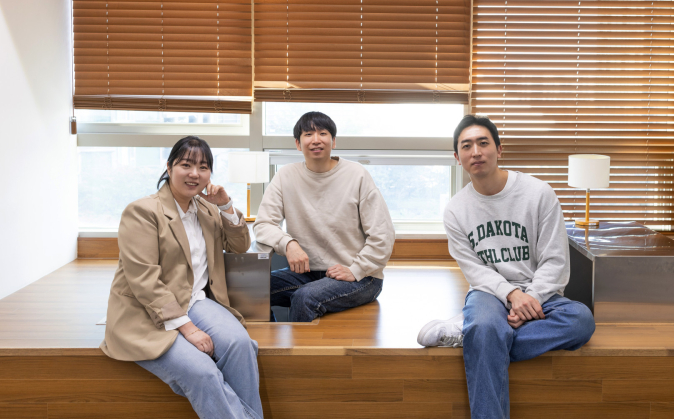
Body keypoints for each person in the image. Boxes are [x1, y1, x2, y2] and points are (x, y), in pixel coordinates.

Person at [417, 115, 595, 419]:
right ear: (457, 158)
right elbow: (474, 270)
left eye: (483, 143)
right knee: (487, 326)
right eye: (466, 146)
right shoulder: (456, 210)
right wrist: (512, 295)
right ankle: (481, 333)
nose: (476, 152)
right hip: (489, 292)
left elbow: (555, 260)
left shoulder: (539, 193)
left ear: (499, 149)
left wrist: (530, 298)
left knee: (581, 320)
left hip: (539, 291)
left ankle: (473, 336)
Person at [100, 136, 263, 419]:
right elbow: (145, 280)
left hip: (195, 301)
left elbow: (239, 246)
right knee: (203, 372)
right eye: (186, 165)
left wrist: (225, 206)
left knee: (241, 345)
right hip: (146, 313)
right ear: (169, 167)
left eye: (203, 167)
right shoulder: (142, 211)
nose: (194, 174)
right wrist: (188, 329)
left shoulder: (207, 209)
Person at [254, 111, 394, 322]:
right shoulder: (285, 175)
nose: (316, 140)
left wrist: (356, 269)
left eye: (323, 133)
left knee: (304, 298)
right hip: (308, 273)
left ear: (333, 141)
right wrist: (288, 243)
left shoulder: (357, 175)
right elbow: (263, 224)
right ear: (298, 144)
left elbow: (383, 234)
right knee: (252, 290)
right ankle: (263, 342)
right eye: (308, 134)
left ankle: (299, 346)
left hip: (361, 276)